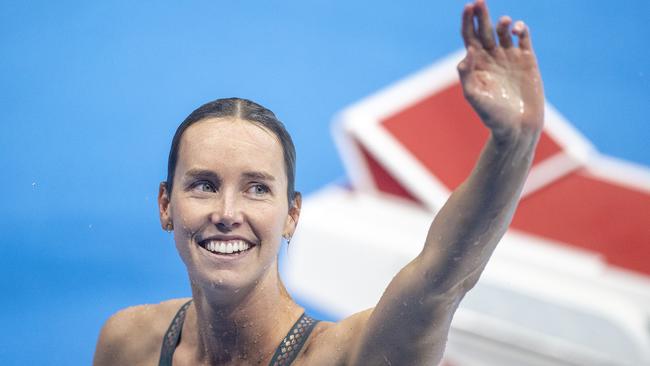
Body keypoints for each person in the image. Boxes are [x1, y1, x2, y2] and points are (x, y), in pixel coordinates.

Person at [93, 0, 544, 364]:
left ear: (292, 215)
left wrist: (514, 143)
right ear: (166, 204)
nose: (227, 213)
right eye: (204, 185)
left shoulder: (347, 357)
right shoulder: (130, 345)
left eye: (257, 188)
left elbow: (440, 278)